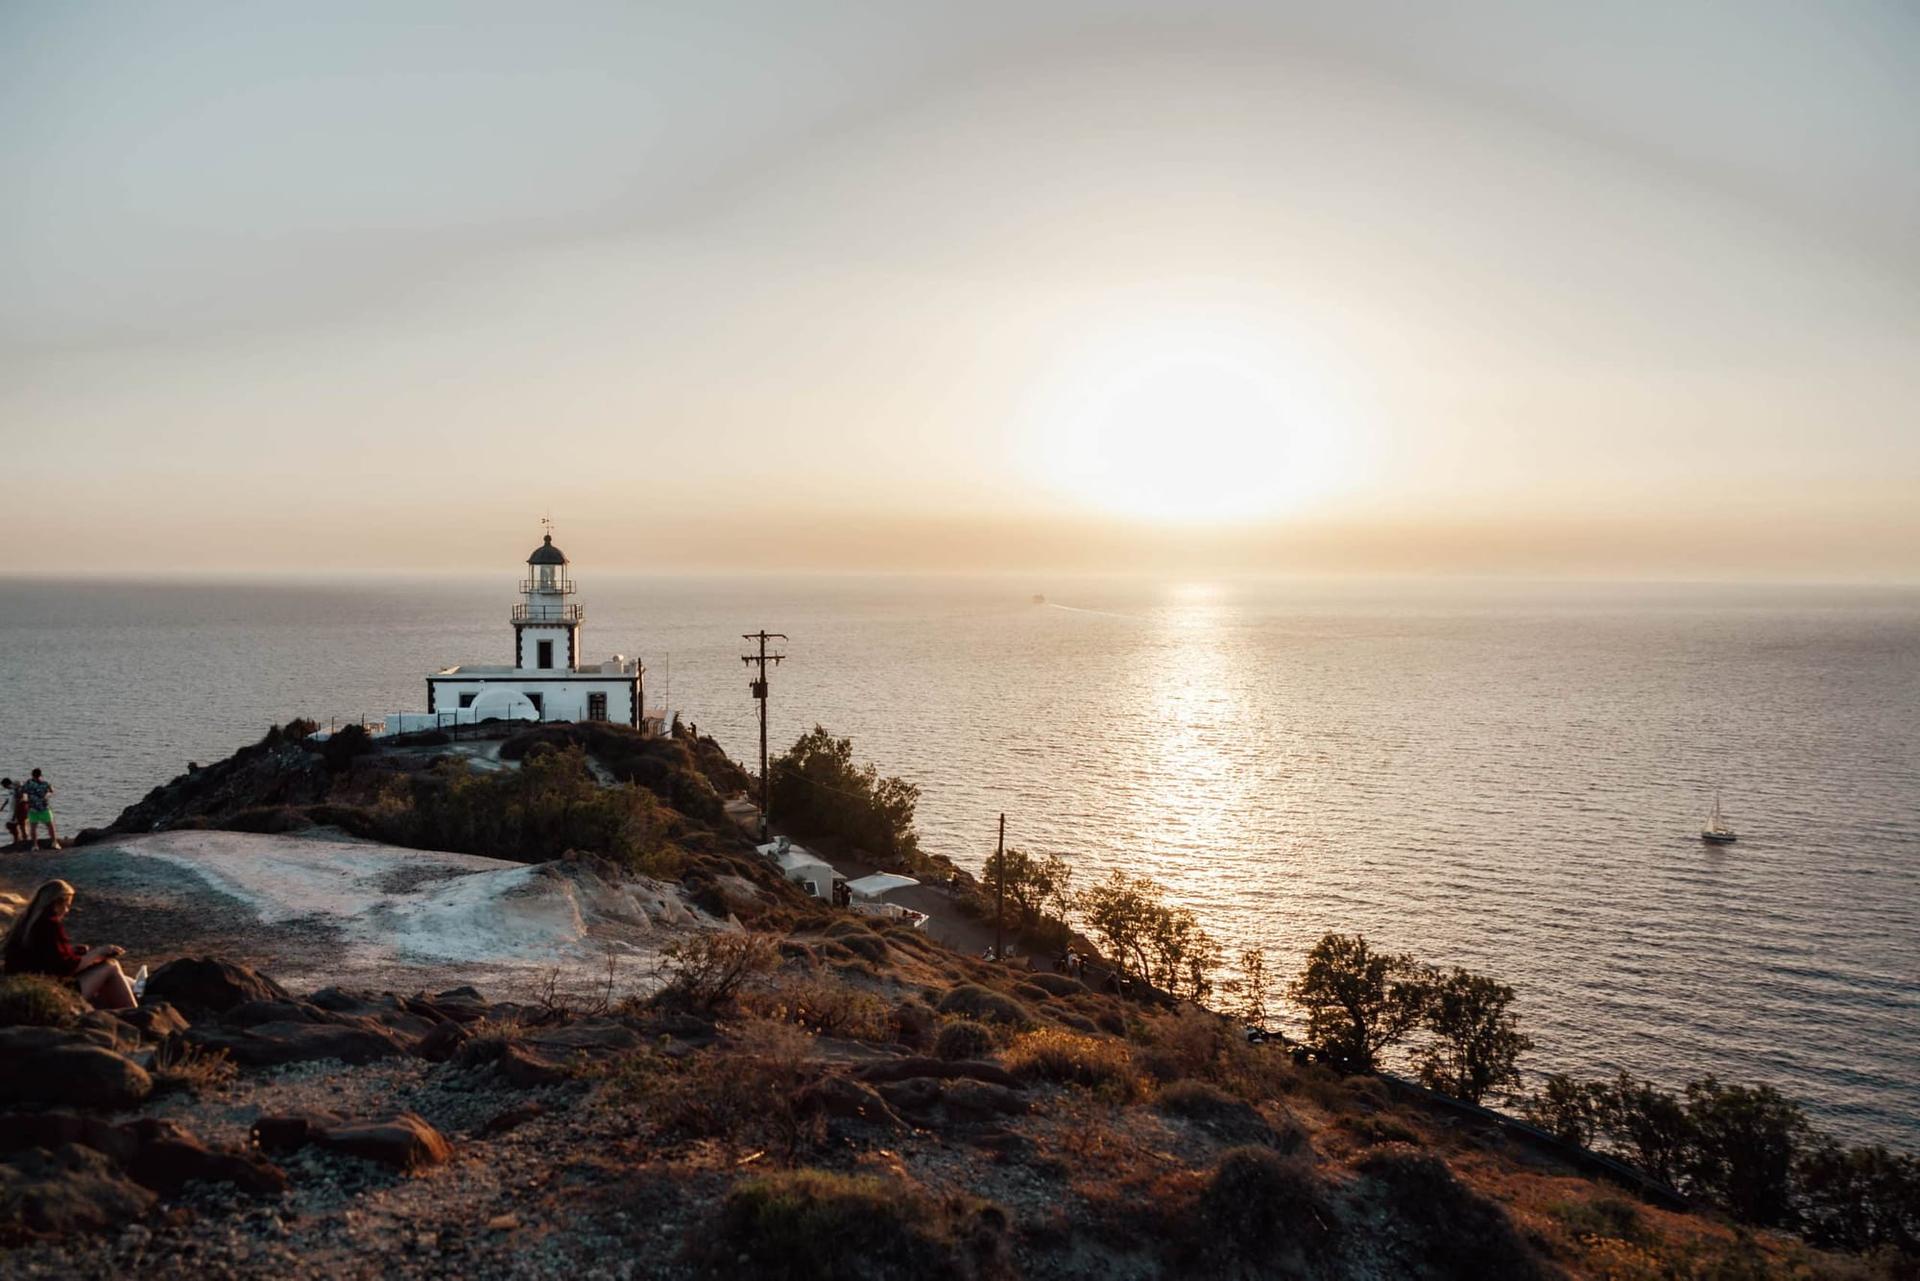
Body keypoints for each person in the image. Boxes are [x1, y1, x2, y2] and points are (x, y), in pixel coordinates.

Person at [2, 879, 137, 1009]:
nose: (67, 910)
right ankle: (135, 1014)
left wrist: (73, 951)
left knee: (109, 975)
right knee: (111, 966)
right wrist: (99, 952)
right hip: (50, 990)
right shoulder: (49, 924)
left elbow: (45, 957)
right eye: (66, 905)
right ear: (56, 904)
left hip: (25, 987)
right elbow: (67, 968)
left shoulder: (25, 923)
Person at [21, 768, 57, 850]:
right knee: (50, 826)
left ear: (32, 775)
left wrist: (25, 799)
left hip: (33, 809)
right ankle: (54, 843)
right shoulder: (45, 783)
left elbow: (23, 793)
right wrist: (48, 794)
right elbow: (52, 791)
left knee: (33, 827)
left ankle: (35, 846)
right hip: (44, 808)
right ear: (41, 775)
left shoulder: (28, 784)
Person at [2, 777, 20, 847]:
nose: (3, 787)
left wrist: (15, 814)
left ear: (6, 784)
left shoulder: (14, 789)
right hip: (11, 810)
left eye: (3, 785)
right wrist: (2, 806)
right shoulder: (10, 790)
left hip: (14, 810)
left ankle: (17, 840)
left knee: (11, 825)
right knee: (11, 825)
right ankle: (16, 840)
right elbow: (8, 798)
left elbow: (17, 801)